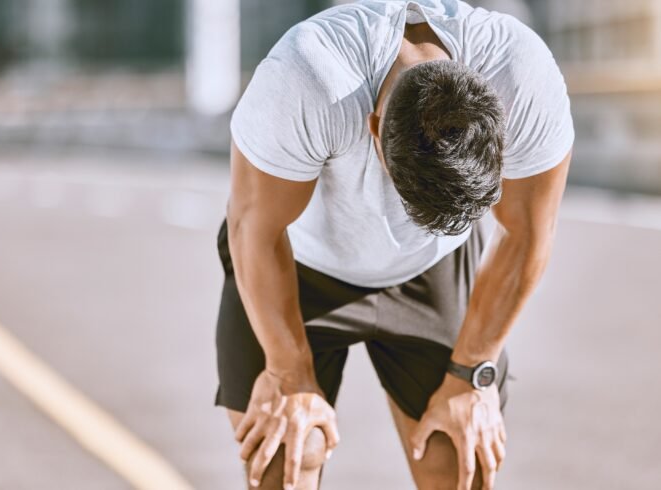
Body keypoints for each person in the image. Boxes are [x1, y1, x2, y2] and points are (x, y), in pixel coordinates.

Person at [214, 1, 574, 489]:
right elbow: (252, 229)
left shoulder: (523, 77)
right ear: (375, 128)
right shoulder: (309, 77)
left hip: (433, 269)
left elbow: (530, 233)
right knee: (289, 455)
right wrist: (287, 372)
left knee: (460, 462)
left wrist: (472, 376)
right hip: (298, 263)